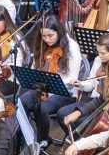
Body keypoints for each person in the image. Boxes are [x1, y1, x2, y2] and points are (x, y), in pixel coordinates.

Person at [18, 15, 83, 145]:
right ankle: (25, 139)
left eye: (50, 36)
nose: (46, 39)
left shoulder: (71, 47)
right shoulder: (42, 44)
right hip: (42, 88)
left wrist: (51, 81)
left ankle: (43, 141)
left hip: (64, 92)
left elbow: (72, 77)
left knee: (40, 108)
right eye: (43, 36)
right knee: (21, 103)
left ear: (58, 32)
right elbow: (35, 68)